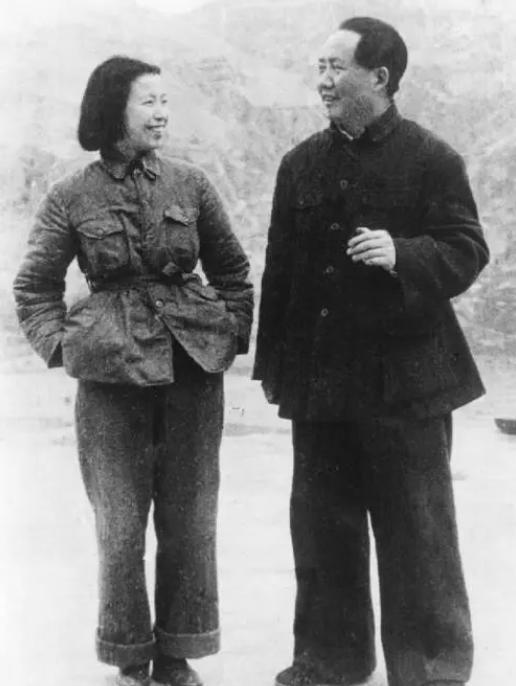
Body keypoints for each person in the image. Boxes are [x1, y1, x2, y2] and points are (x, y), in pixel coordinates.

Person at [253, 16, 488, 686]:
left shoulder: (432, 158)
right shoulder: (299, 163)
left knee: (418, 536)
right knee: (322, 533)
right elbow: (280, 271)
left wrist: (402, 253)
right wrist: (273, 366)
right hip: (319, 382)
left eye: (336, 67)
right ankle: (329, 662)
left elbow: (467, 249)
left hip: (406, 386)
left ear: (379, 77)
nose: (322, 81)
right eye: (319, 68)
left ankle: (431, 671)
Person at [14, 56, 253, 686]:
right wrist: (62, 348)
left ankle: (177, 656)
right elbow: (34, 287)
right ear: (113, 108)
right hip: (109, 383)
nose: (162, 113)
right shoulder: (71, 194)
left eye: (165, 101)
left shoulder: (192, 184)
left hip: (192, 374)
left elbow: (233, 272)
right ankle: (128, 659)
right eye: (149, 101)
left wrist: (229, 335)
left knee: (190, 522)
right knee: (119, 528)